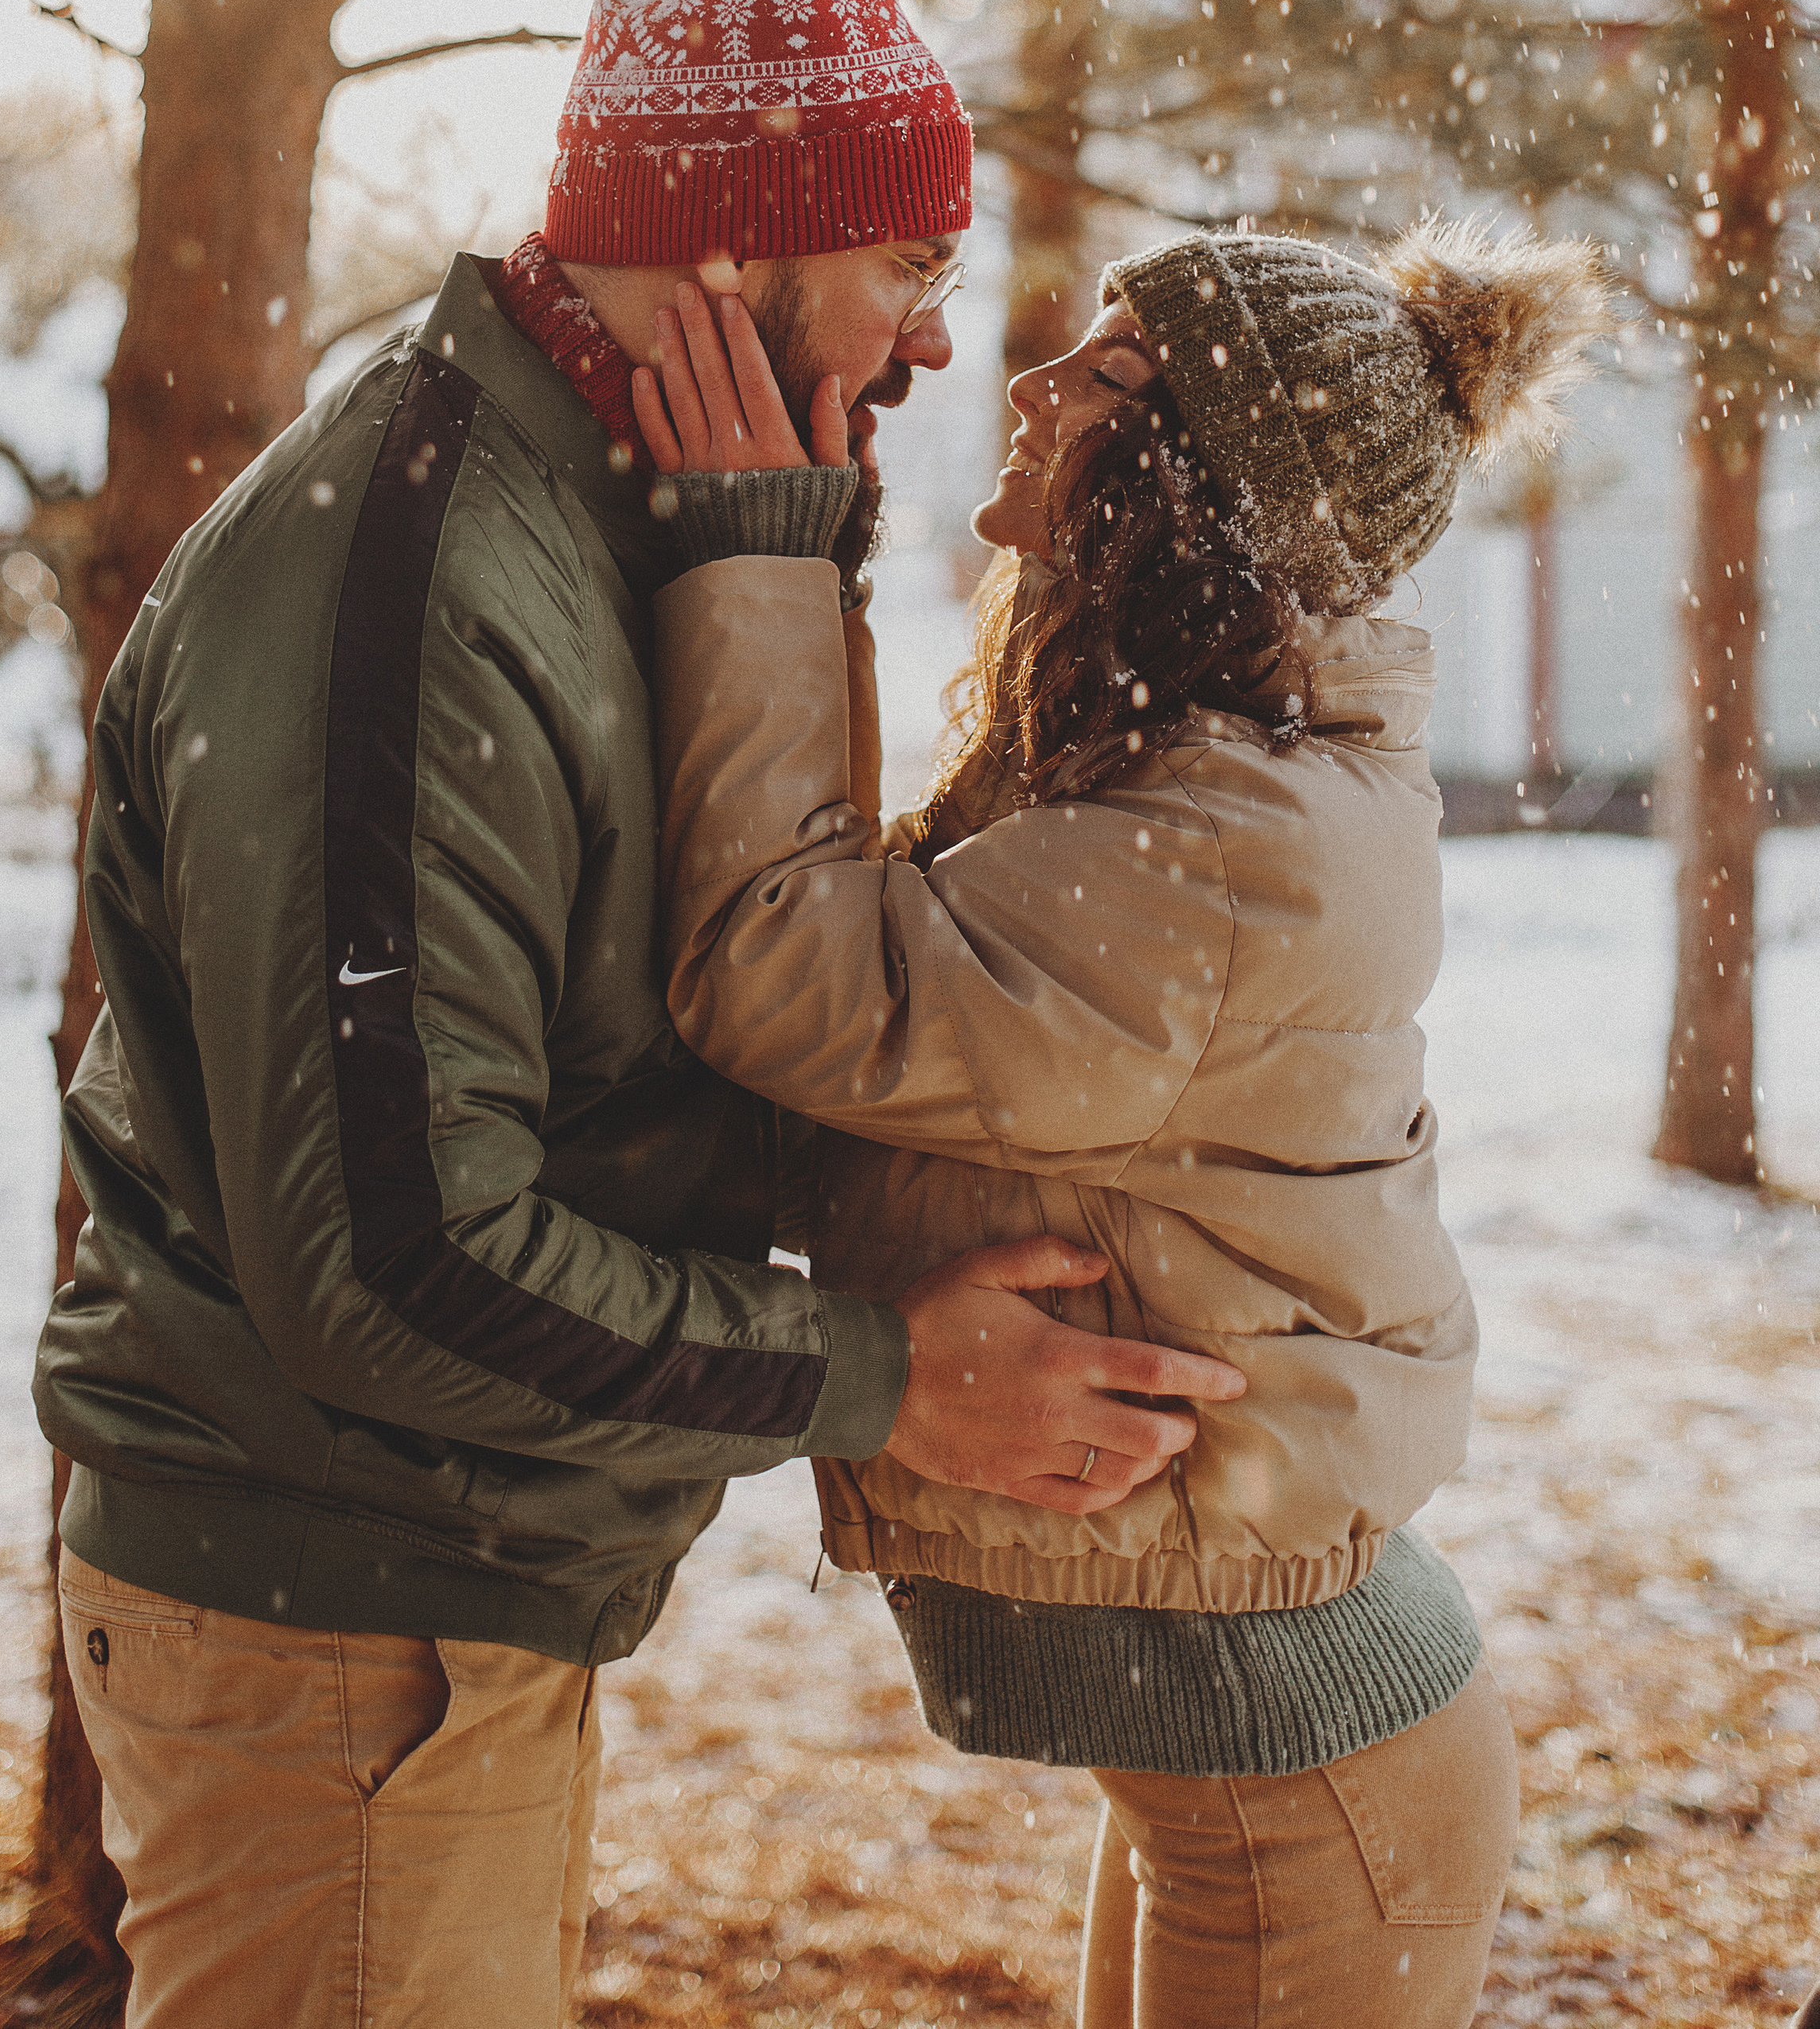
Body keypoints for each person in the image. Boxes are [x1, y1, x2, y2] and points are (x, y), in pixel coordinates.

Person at [32, 0, 1246, 2029]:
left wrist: (784, 548)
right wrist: (889, 1379)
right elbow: (397, 1260)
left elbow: (689, 1000)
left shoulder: (618, 521)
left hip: (424, 1602)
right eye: (897, 267)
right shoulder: (413, 594)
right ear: (726, 260)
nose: (927, 338)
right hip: (339, 1626)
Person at [633, 215, 1611, 2029]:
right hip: (1271, 1763)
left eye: (1092, 368)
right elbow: (860, 970)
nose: (1023, 381)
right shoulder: (1179, 770)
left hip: (1310, 1791)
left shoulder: (1211, 848)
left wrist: (757, 561)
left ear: (1183, 481)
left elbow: (785, 973)